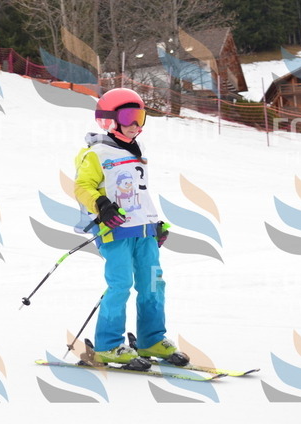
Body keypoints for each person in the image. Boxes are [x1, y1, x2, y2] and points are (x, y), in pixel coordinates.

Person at [73, 88, 183, 369]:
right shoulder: (96, 153)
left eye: (140, 117)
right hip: (115, 230)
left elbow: (138, 191)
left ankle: (151, 340)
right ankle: (108, 345)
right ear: (109, 119)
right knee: (120, 285)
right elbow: (82, 187)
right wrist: (101, 205)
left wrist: (154, 223)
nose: (136, 124)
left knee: (153, 283)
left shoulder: (138, 151)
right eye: (128, 117)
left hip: (144, 230)